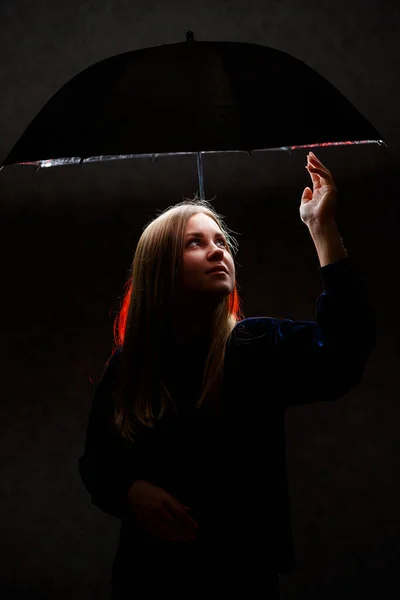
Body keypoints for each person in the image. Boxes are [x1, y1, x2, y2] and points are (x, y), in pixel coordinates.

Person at [78, 152, 376, 599]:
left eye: (221, 240)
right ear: (159, 268)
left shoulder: (255, 346)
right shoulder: (129, 366)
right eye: (195, 242)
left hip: (241, 578)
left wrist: (322, 228)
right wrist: (131, 490)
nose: (218, 249)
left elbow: (344, 355)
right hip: (148, 578)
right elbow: (96, 465)